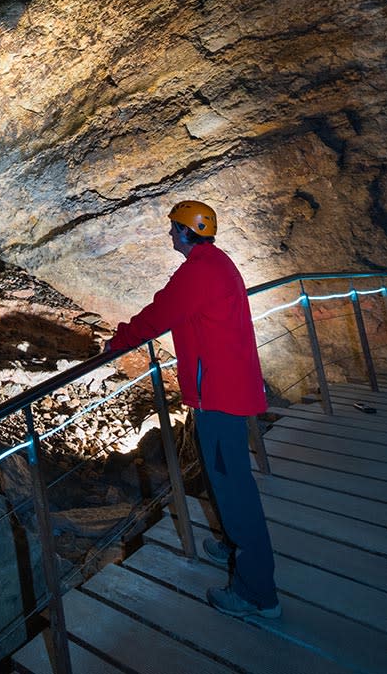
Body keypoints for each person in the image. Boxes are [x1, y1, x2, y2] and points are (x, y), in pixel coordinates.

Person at [103, 199, 281, 619]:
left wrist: (118, 342)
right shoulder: (216, 262)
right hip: (228, 389)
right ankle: (231, 545)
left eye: (174, 228)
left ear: (187, 232)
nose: (170, 233)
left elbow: (158, 314)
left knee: (235, 488)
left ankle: (257, 593)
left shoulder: (199, 273)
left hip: (219, 396)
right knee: (227, 477)